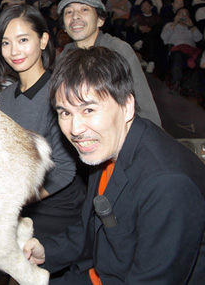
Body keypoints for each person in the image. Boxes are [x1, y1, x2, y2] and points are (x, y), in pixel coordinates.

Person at [23, 46, 205, 285]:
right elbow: (95, 228)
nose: (75, 130)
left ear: (127, 106)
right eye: (65, 113)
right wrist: (47, 250)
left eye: (88, 109)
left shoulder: (167, 183)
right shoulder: (105, 147)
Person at [0, 5, 85, 239]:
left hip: (55, 205)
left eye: (23, 40)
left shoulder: (58, 93)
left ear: (43, 41)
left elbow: (64, 170)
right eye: (6, 43)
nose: (14, 51)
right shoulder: (6, 95)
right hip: (23, 198)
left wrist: (17, 201)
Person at [57, 0, 162, 126]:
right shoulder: (64, 57)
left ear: (100, 20)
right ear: (64, 27)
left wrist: (152, 142)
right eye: (68, 12)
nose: (75, 16)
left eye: (84, 9)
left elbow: (144, 103)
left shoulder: (118, 50)